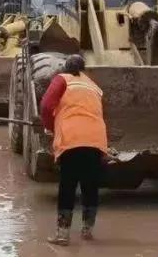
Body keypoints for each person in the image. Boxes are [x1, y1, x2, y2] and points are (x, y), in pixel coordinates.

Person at [39, 54, 109, 245]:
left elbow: (46, 105)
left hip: (72, 138)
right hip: (96, 138)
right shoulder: (94, 86)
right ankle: (87, 231)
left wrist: (50, 125)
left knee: (68, 185)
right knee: (90, 185)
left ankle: (62, 234)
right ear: (83, 69)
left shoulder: (62, 79)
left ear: (65, 68)